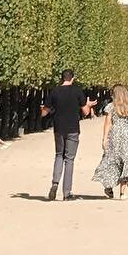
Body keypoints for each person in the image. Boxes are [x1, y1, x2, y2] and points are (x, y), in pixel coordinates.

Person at [41, 69, 91, 201]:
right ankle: (67, 193)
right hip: (73, 128)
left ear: (62, 78)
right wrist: (89, 105)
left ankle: (55, 183)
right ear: (73, 78)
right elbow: (85, 112)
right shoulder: (77, 91)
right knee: (69, 159)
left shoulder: (54, 91)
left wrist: (43, 109)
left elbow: (44, 113)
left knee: (58, 155)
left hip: (58, 128)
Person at [93, 84, 128, 198]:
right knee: (126, 160)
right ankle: (122, 193)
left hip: (115, 134)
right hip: (126, 134)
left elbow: (108, 123)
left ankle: (109, 187)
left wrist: (104, 138)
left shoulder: (110, 106)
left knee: (111, 159)